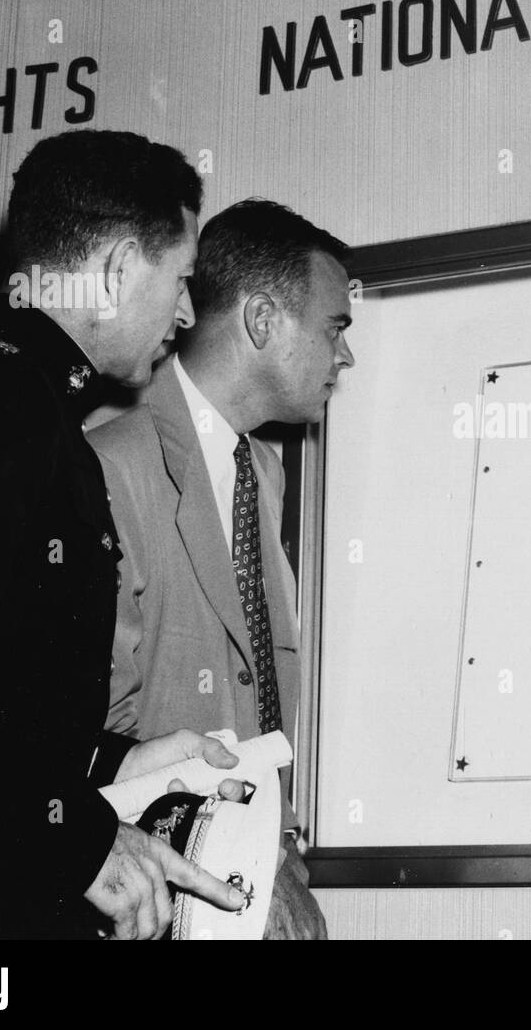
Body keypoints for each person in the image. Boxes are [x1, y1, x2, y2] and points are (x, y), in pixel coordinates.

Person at [0, 129, 251, 940]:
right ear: (112, 272)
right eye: (179, 280)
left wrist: (110, 765)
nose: (185, 311)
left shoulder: (20, 403)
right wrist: (75, 840)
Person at [88, 198, 355, 940]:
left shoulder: (263, 474)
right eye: (336, 328)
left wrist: (276, 853)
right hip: (159, 892)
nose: (346, 355)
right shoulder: (111, 466)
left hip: (262, 867)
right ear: (264, 319)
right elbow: (84, 734)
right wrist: (241, 863)